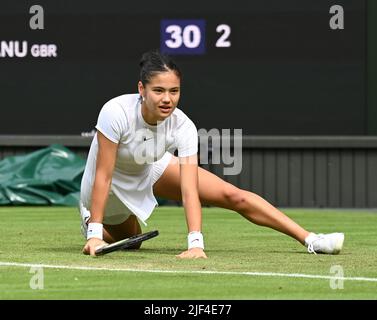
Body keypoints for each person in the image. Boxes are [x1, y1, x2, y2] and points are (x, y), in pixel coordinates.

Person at [79, 50, 344, 258]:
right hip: (108, 186)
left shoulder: (183, 125)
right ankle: (91, 221)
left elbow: (189, 189)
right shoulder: (116, 111)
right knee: (131, 240)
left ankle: (311, 239)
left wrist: (195, 243)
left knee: (232, 194)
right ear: (141, 89)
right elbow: (103, 175)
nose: (167, 99)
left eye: (174, 91)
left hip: (149, 166)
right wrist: (94, 233)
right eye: (158, 90)